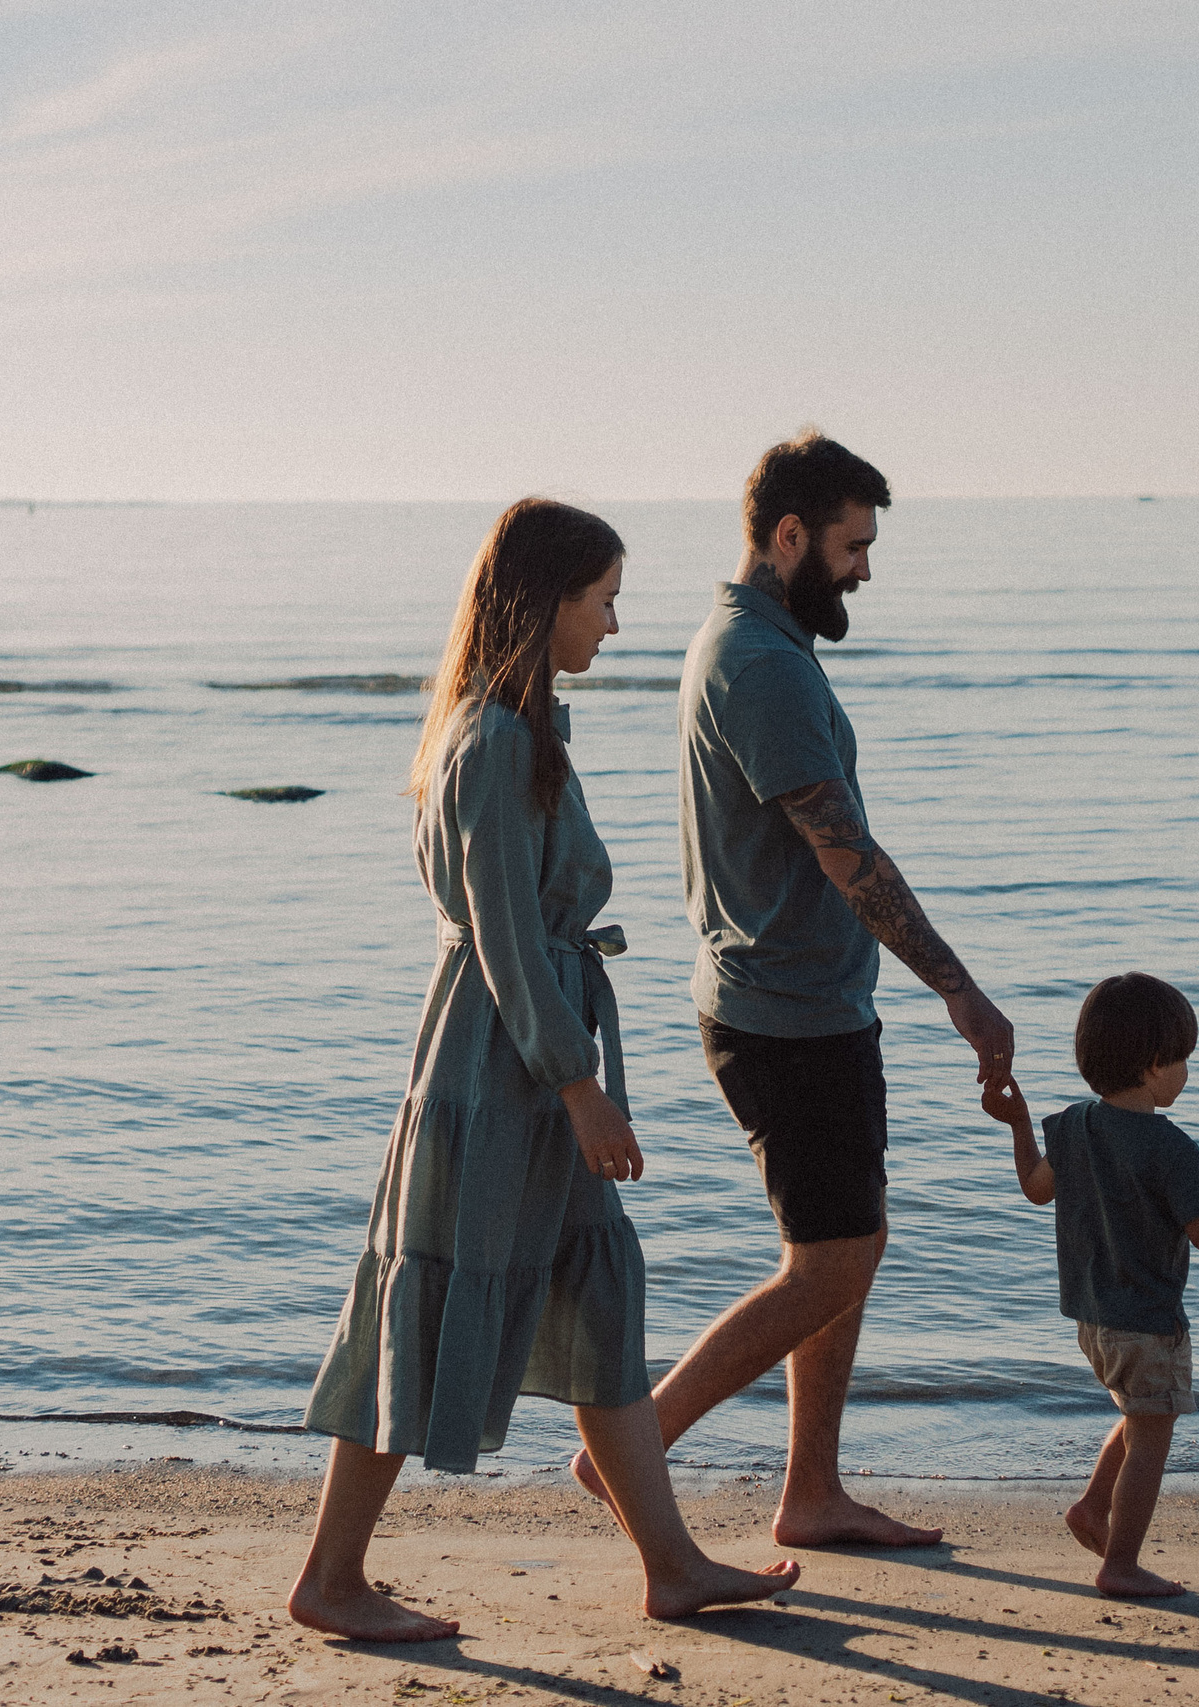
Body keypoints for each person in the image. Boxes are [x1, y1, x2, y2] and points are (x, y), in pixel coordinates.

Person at [289, 499, 799, 1639]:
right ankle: (330, 1579)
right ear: (545, 601)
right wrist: (580, 1086)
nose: (615, 626)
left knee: (597, 1289)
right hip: (502, 1070)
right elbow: (511, 940)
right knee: (427, 1291)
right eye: (603, 600)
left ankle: (670, 1564)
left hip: (519, 1051)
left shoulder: (511, 730)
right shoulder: (496, 744)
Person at [573, 431, 1016, 1549]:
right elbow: (843, 852)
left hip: (806, 999)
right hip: (783, 1012)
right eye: (852, 545)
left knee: (840, 1247)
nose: (864, 568)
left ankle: (809, 1493)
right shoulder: (760, 664)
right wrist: (960, 993)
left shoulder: (756, 640)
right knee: (835, 1260)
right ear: (788, 536)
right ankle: (633, 1442)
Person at [983, 972, 1199, 1598]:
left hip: (1091, 1318)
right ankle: (1120, 1564)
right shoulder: (1169, 1146)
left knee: (1141, 1414)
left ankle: (1090, 1510)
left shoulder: (1072, 1125)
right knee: (1152, 1436)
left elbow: (1035, 1189)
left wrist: (1018, 1123)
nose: (1186, 1072)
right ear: (1156, 1066)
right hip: (1147, 1318)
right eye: (1183, 1060)